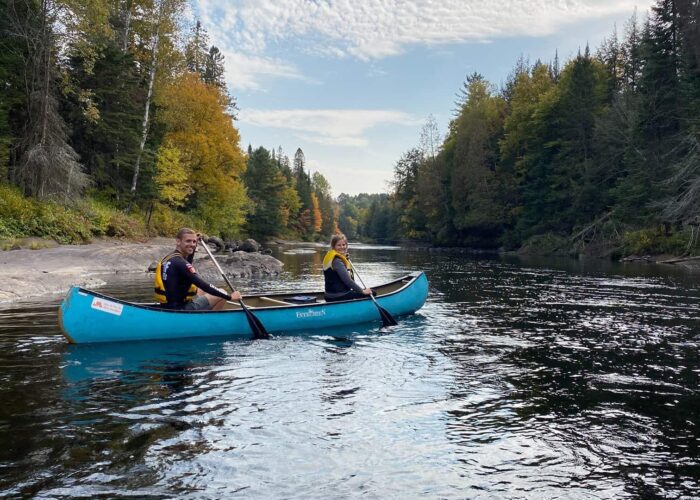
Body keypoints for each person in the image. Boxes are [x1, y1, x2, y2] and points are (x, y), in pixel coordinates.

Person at [154, 227, 242, 310]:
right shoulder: (180, 263)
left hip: (168, 305)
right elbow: (204, 284)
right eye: (188, 241)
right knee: (222, 292)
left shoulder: (171, 257)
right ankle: (210, 321)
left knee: (201, 291)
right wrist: (230, 297)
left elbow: (187, 264)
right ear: (178, 241)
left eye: (194, 242)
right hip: (181, 309)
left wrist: (193, 248)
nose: (192, 244)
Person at [322, 233, 373, 302]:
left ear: (346, 245)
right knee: (372, 292)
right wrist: (363, 291)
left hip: (330, 294)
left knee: (363, 291)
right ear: (333, 247)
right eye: (339, 245)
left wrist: (344, 257)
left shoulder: (338, 258)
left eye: (344, 245)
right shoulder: (337, 261)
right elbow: (348, 281)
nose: (342, 247)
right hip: (338, 295)